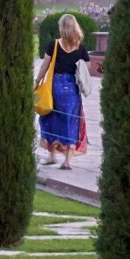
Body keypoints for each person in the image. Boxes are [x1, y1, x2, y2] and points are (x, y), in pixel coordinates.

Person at [37, 14, 92, 167]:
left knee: (50, 119)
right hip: (72, 90)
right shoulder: (80, 48)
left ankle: (52, 155)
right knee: (70, 122)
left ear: (62, 28)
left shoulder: (53, 45)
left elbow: (45, 66)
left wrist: (37, 82)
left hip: (54, 88)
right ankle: (67, 161)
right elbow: (87, 68)